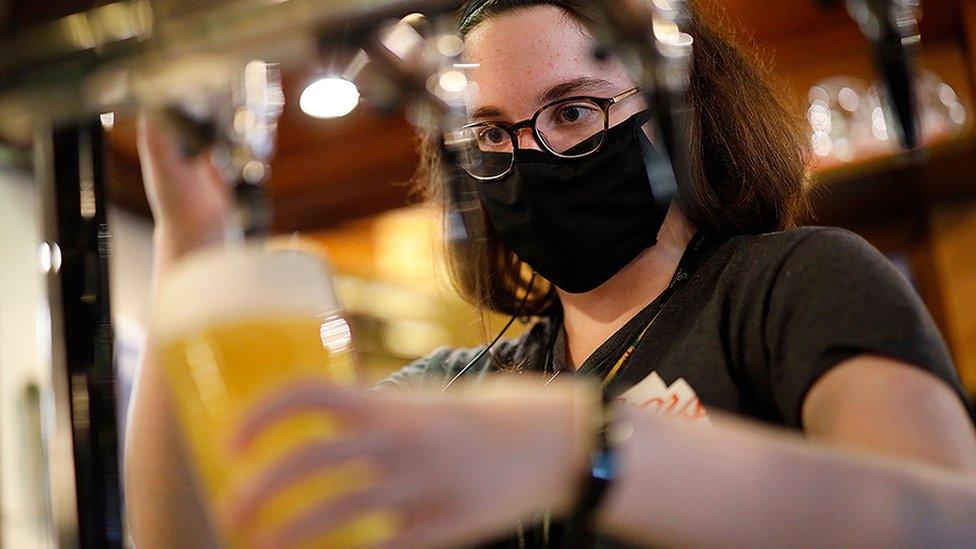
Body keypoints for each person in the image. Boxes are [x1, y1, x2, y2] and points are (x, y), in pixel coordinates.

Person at [125, 1, 976, 547]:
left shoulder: (792, 286)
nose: (534, 155)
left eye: (572, 111)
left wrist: (583, 452)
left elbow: (947, 518)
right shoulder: (462, 393)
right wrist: (192, 242)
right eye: (492, 134)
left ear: (679, 111)